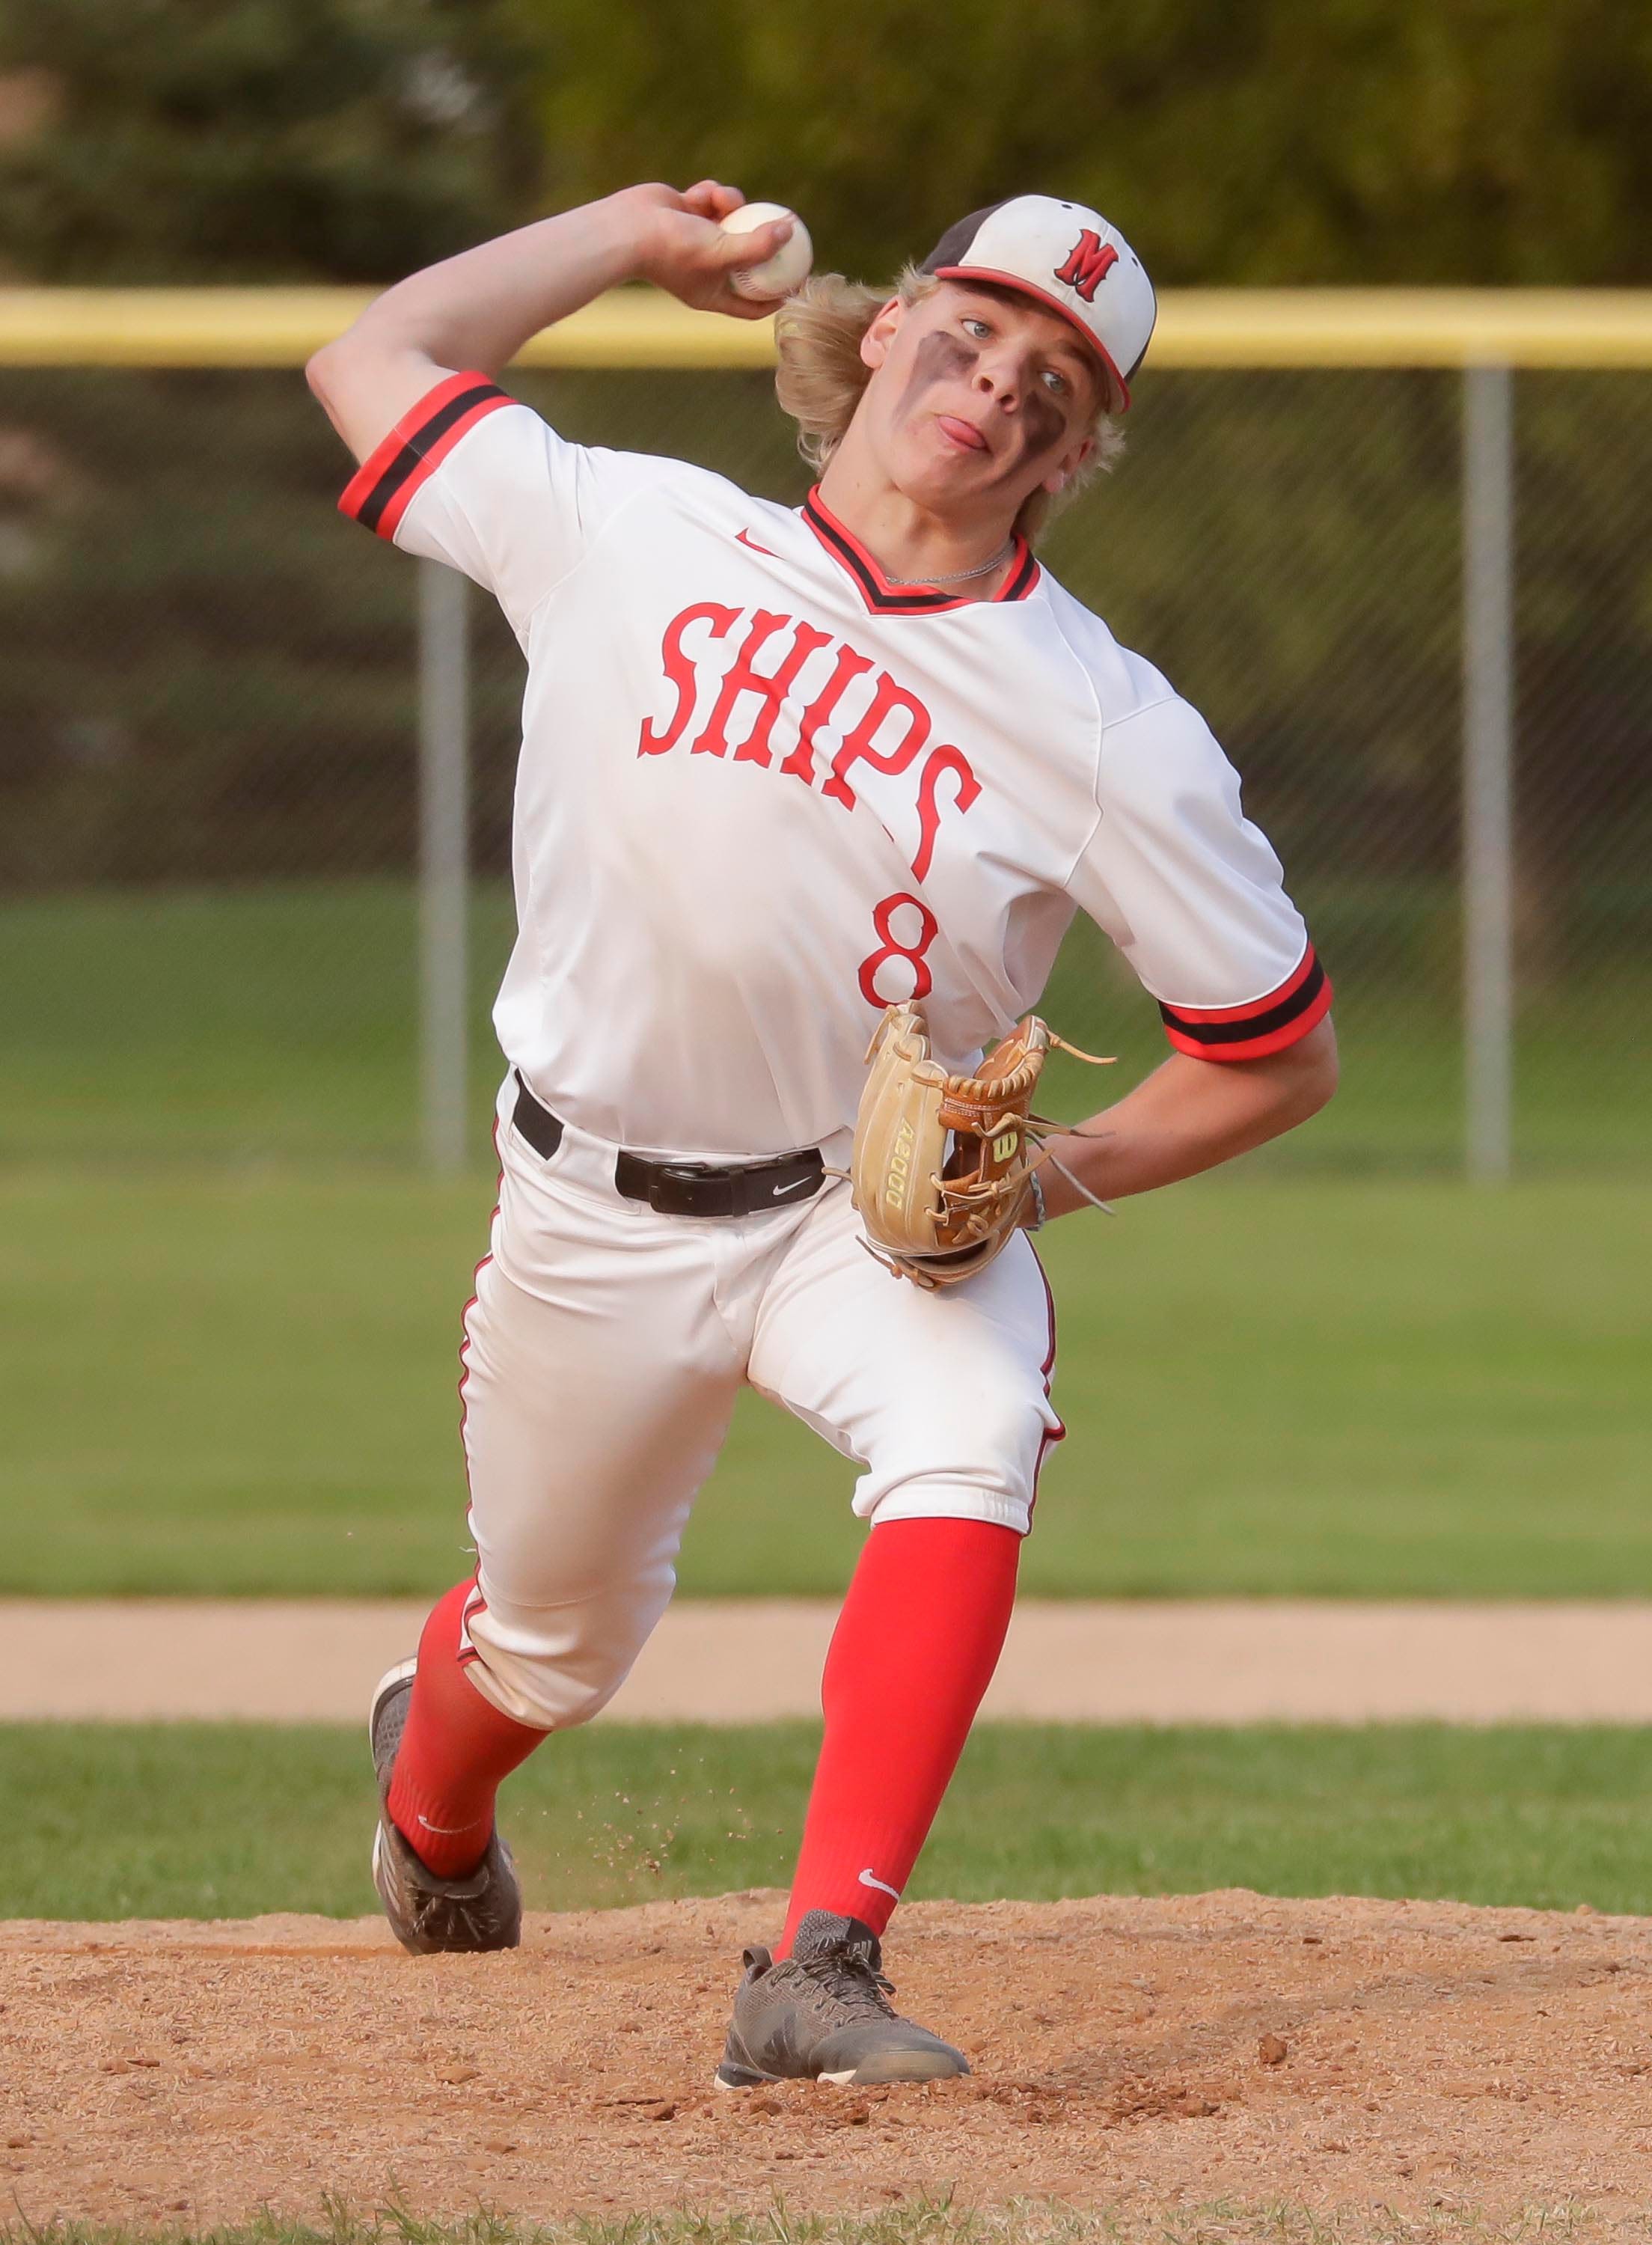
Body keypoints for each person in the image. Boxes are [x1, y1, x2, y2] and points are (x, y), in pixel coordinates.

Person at [306, 180, 1336, 2089]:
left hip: (867, 1222)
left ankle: (819, 1970)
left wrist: (1037, 1181)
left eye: (1058, 381)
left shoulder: (1105, 722)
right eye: (974, 327)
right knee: (549, 1646)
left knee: (972, 1430)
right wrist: (626, 236)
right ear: (885, 330)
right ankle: (432, 1800)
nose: (1000, 382)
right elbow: (372, 361)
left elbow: (1276, 1052)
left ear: (1079, 450)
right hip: (592, 1207)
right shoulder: (633, 528)